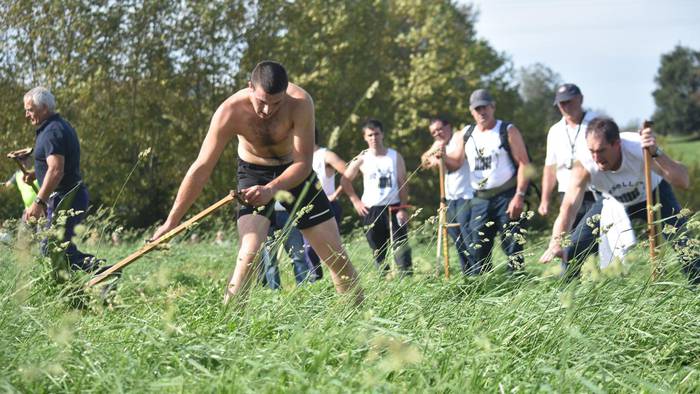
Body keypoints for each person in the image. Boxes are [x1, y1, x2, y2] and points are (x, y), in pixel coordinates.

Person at [151, 61, 363, 305]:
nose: (267, 110)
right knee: (249, 253)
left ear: (285, 94)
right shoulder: (230, 111)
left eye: (276, 103)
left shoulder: (301, 103)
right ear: (250, 87)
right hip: (253, 174)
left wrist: (272, 189)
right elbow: (201, 168)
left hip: (295, 173)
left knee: (336, 256)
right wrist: (171, 222)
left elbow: (303, 164)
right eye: (261, 101)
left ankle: (357, 322)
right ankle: (229, 325)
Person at [539, 117, 699, 283]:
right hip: (611, 201)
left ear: (617, 144)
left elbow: (683, 181)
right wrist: (556, 241)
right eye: (592, 151)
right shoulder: (585, 163)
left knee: (686, 244)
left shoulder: (640, 149)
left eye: (601, 151)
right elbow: (568, 208)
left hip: (654, 195)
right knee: (573, 247)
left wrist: (656, 152)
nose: (596, 157)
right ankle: (568, 299)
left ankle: (697, 292)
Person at [445, 89, 530, 274]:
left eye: (485, 107)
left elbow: (524, 164)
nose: (482, 112)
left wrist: (519, 196)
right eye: (477, 108)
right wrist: (441, 156)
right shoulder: (466, 134)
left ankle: (518, 289)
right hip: (480, 199)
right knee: (477, 247)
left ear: (493, 106)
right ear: (471, 111)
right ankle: (482, 290)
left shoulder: (507, 130)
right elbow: (456, 162)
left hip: (507, 196)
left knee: (513, 247)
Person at [22, 86, 104, 272]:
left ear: (44, 108)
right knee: (55, 250)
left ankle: (103, 272)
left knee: (55, 251)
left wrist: (39, 202)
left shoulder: (51, 132)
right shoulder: (58, 126)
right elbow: (58, 165)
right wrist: (36, 174)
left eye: (30, 109)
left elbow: (56, 170)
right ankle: (76, 293)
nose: (27, 115)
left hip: (66, 200)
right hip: (69, 197)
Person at [341, 119, 413, 276]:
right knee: (379, 252)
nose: (374, 138)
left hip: (394, 208)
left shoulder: (394, 156)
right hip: (371, 210)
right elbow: (345, 180)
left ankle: (406, 281)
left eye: (377, 134)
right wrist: (355, 201)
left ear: (383, 135)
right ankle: (384, 282)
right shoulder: (362, 158)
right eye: (370, 135)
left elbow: (403, 183)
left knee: (401, 250)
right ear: (365, 138)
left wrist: (403, 208)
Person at [539, 83, 599, 226]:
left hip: (595, 192)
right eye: (561, 103)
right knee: (570, 241)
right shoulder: (555, 131)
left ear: (580, 99)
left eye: (568, 102)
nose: (565, 107)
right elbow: (550, 168)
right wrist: (545, 199)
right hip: (567, 194)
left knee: (597, 240)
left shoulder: (597, 122)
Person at [421, 117, 475, 274]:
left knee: (468, 238)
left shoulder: (458, 136)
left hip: (466, 195)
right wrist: (435, 157)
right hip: (449, 198)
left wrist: (442, 157)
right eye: (433, 132)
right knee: (457, 239)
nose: (438, 133)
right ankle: (467, 275)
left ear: (448, 126)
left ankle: (479, 272)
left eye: (440, 128)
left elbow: (456, 162)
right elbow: (424, 160)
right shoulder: (439, 143)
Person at [304, 127, 353, 281]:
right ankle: (315, 281)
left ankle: (343, 280)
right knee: (308, 249)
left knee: (331, 248)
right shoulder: (300, 157)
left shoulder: (325, 155)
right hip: (306, 208)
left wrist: (336, 193)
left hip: (327, 205)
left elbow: (348, 171)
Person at [259, 202, 310, 289]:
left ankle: (304, 289)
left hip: (288, 212)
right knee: (270, 260)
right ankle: (275, 293)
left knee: (298, 255)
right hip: (265, 213)